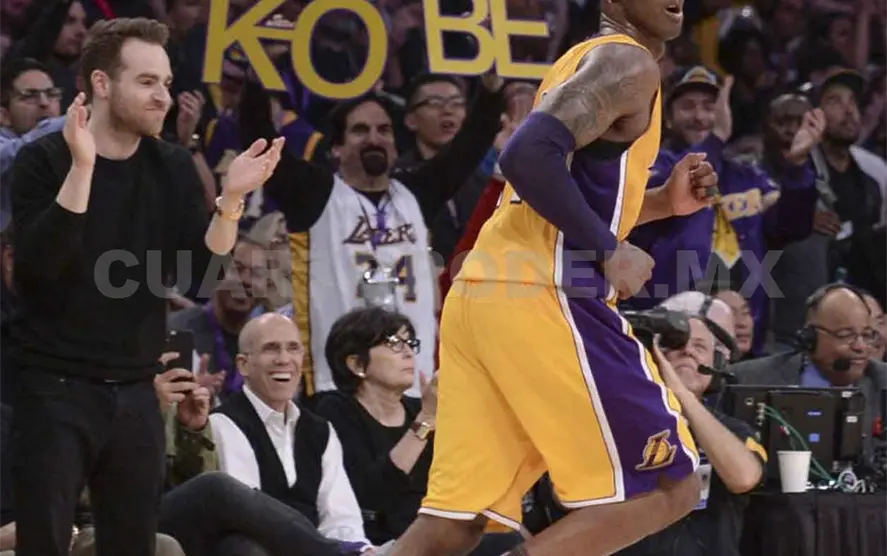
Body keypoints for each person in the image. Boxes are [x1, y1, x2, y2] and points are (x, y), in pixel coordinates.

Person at [388, 2, 722, 556]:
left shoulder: (581, 60)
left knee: (455, 522)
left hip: (487, 293)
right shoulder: (627, 62)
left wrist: (663, 203)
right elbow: (526, 156)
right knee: (669, 485)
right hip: (544, 295)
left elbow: (553, 193)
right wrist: (609, 249)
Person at [7, 18, 283, 556]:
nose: (164, 97)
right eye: (148, 82)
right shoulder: (43, 159)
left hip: (137, 388)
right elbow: (39, 268)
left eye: (167, 82)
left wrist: (230, 201)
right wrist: (83, 168)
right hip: (52, 385)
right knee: (44, 543)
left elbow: (200, 280)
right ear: (102, 84)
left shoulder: (172, 166)